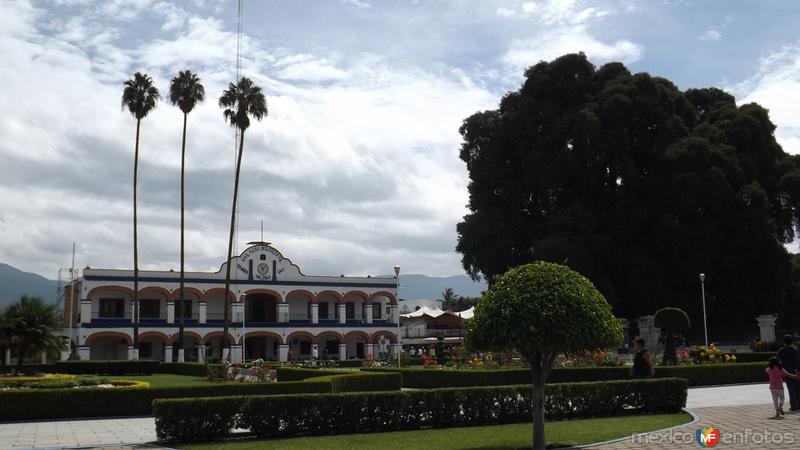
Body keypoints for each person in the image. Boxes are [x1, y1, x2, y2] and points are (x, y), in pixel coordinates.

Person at [777, 335, 799, 411]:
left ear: (783, 342)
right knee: (797, 388)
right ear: (792, 341)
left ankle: (794, 406)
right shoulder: (795, 350)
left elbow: (777, 361)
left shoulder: (781, 350)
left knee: (791, 389)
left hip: (786, 372)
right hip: (796, 371)